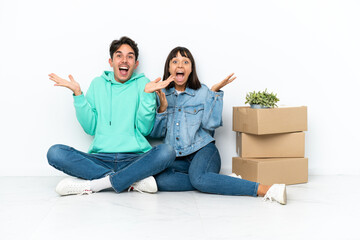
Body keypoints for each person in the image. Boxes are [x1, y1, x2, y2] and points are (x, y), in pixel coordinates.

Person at [150, 47, 287, 204]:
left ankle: (265, 189)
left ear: (191, 68)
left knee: (199, 178)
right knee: (159, 181)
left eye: (185, 62)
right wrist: (162, 108)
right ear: (168, 68)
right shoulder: (160, 93)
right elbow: (156, 134)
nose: (180, 65)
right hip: (178, 157)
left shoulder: (202, 91)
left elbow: (211, 125)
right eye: (175, 61)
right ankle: (217, 181)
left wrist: (213, 93)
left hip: (204, 151)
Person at [47, 36, 176, 196]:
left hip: (135, 159)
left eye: (130, 57)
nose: (124, 60)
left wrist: (148, 95)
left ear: (135, 64)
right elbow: (90, 128)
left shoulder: (144, 84)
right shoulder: (97, 84)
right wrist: (78, 95)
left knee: (167, 151)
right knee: (55, 152)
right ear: (111, 62)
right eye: (119, 55)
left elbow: (145, 129)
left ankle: (96, 185)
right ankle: (131, 181)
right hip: (100, 159)